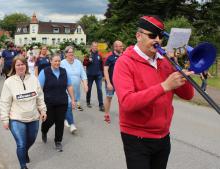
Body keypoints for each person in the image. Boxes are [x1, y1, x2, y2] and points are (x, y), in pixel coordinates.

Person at [113, 15, 194, 169]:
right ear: (138, 36)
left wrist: (176, 65)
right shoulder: (124, 62)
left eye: (160, 36)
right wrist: (164, 86)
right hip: (136, 137)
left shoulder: (165, 61)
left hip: (163, 136)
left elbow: (188, 95)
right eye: (152, 35)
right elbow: (127, 103)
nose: (157, 40)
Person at [0, 56, 47, 169]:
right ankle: (23, 166)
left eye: (22, 64)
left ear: (26, 66)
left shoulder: (34, 79)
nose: (20, 67)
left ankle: (24, 152)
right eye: (18, 65)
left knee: (30, 140)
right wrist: (5, 119)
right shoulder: (9, 82)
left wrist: (43, 110)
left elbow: (40, 97)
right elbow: (4, 102)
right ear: (14, 67)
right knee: (21, 143)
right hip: (16, 118)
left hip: (33, 117)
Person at [38, 54, 75, 152]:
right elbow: (39, 89)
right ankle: (44, 130)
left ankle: (58, 141)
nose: (57, 63)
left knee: (60, 121)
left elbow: (69, 86)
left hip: (62, 101)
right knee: (49, 120)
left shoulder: (64, 72)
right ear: (50, 61)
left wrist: (73, 99)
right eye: (55, 61)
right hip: (48, 102)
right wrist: (39, 104)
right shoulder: (44, 72)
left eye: (59, 61)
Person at [60, 46, 88, 134]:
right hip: (65, 89)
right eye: (69, 52)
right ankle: (72, 124)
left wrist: (85, 84)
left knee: (71, 105)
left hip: (76, 90)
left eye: (72, 52)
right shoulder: (62, 63)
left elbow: (83, 74)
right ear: (66, 54)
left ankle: (65, 118)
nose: (71, 54)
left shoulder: (78, 62)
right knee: (69, 104)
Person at [103, 40, 124, 123]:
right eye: (120, 46)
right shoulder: (109, 56)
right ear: (115, 47)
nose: (122, 47)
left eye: (122, 46)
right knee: (109, 98)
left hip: (121, 83)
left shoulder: (124, 55)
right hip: (111, 82)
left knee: (122, 99)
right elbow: (105, 70)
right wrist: (108, 83)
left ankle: (123, 116)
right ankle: (106, 114)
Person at [83, 42, 105, 111]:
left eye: (96, 46)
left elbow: (102, 64)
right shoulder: (88, 54)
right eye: (94, 46)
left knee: (100, 89)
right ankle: (88, 101)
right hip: (90, 75)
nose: (95, 48)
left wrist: (103, 74)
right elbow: (84, 63)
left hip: (98, 75)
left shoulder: (99, 54)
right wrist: (88, 61)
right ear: (91, 47)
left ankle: (101, 105)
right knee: (89, 89)